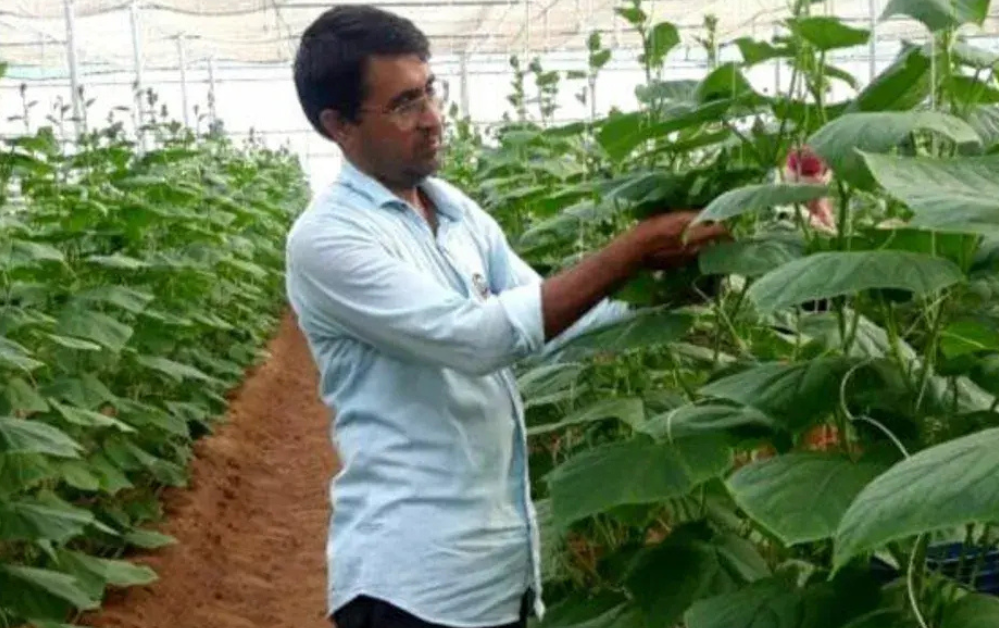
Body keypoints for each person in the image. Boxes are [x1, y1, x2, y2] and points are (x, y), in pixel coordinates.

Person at [285, 6, 728, 628]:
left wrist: (671, 289)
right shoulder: (329, 240)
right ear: (338, 125)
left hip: (495, 566)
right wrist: (632, 249)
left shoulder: (454, 211)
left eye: (430, 90)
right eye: (405, 104)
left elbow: (548, 316)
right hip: (413, 582)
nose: (433, 118)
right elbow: (479, 340)